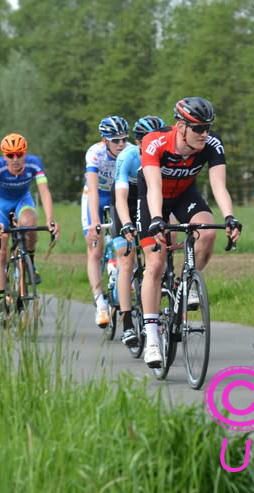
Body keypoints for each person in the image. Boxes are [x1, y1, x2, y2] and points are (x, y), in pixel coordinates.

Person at [138, 97, 241, 368]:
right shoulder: (155, 142)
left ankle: (185, 282)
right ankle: (151, 339)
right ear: (181, 126)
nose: (204, 133)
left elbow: (219, 185)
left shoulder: (212, 144)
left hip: (184, 194)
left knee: (207, 232)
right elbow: (153, 186)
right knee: (155, 263)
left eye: (207, 127)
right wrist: (157, 219)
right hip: (153, 197)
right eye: (198, 128)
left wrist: (229, 217)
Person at [0, 133, 59, 308]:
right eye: (10, 155)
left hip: (22, 201)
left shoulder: (35, 163)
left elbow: (44, 192)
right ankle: (1, 298)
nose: (15, 159)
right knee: (0, 249)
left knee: (30, 226)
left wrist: (50, 219)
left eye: (19, 154)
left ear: (24, 153)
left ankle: (30, 263)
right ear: (4, 156)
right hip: (1, 205)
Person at [112, 115, 166, 347]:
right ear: (138, 142)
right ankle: (126, 323)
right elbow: (120, 197)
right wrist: (126, 223)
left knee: (161, 249)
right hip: (128, 200)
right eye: (146, 139)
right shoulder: (128, 156)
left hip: (151, 199)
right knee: (126, 259)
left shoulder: (165, 155)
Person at [83, 115, 130, 327]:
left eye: (124, 139)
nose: (121, 144)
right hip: (96, 196)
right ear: (105, 140)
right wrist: (95, 221)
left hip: (118, 196)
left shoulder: (130, 151)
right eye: (115, 140)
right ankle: (99, 302)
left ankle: (124, 278)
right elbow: (92, 190)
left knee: (126, 244)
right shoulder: (95, 153)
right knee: (95, 248)